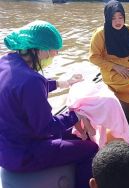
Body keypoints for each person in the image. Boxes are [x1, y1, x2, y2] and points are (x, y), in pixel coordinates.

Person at [0, 20, 98, 188]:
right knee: (90, 148)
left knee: (74, 134)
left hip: (7, 147)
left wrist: (62, 83)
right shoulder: (31, 80)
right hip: (24, 154)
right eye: (52, 50)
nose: (54, 54)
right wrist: (75, 115)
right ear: (37, 49)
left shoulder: (6, 62)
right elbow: (46, 128)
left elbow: (26, 88)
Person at [89, 0, 129, 131]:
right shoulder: (100, 34)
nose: (117, 21)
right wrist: (115, 66)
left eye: (120, 17)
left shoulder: (128, 30)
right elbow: (93, 57)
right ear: (107, 18)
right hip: (113, 73)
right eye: (113, 18)